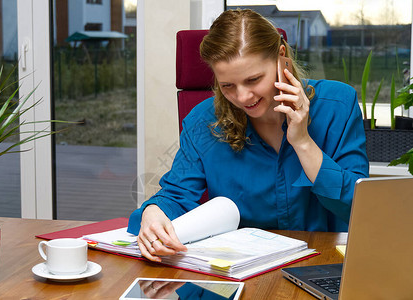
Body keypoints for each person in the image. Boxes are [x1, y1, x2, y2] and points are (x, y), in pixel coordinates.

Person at [127, 9, 369, 262]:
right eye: (227, 85)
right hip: (238, 271)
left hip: (322, 265)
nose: (242, 97)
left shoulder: (338, 104)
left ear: (281, 58)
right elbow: (176, 195)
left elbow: (358, 208)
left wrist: (302, 142)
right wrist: (153, 212)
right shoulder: (203, 121)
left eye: (253, 79)